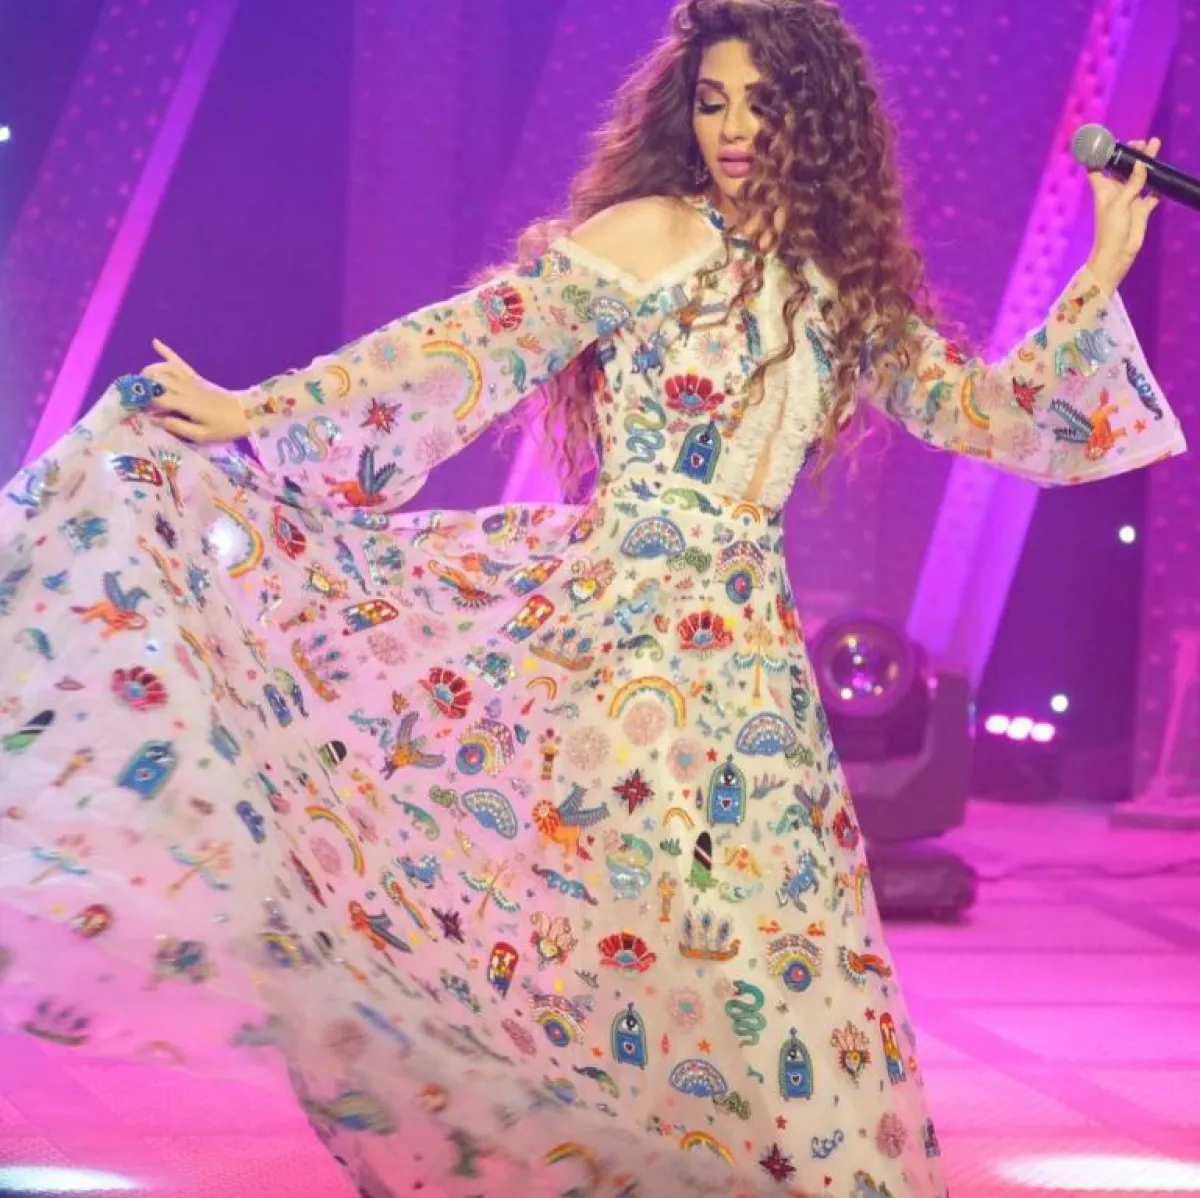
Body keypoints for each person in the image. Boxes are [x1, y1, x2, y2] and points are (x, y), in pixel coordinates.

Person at [0, 1, 1186, 1195]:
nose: (732, 129)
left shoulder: (840, 288)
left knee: (781, 963)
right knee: (659, 950)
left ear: (817, 118)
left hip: (754, 676)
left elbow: (987, 413)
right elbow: (470, 343)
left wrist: (1099, 272)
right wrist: (257, 410)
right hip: (629, 651)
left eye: (761, 103)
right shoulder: (651, 232)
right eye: (711, 101)